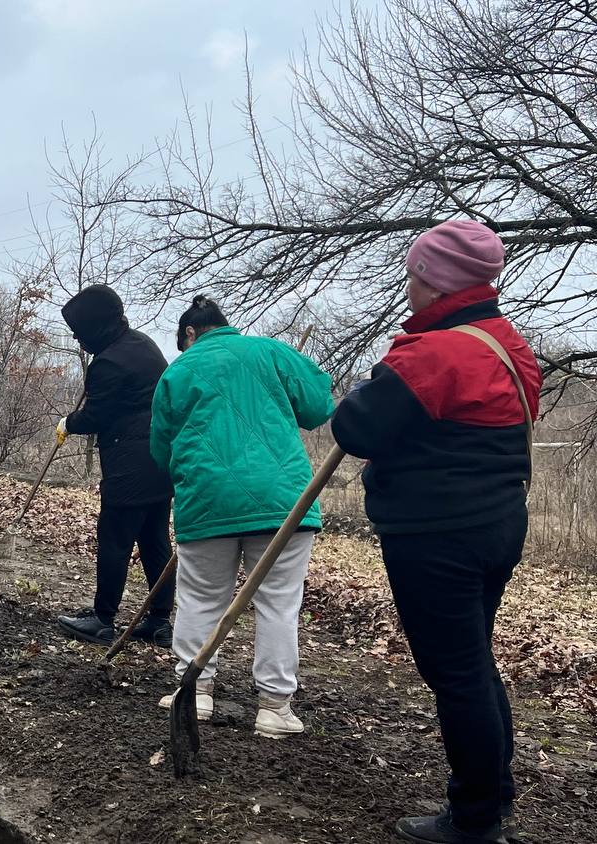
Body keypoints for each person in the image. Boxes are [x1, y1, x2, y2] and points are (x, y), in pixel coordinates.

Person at [332, 220, 540, 844]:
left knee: (455, 672)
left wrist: (378, 380)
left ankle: (475, 821)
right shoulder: (509, 345)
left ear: (435, 280)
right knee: (473, 661)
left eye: (415, 274)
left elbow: (356, 428)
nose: (409, 285)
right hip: (499, 522)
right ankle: (492, 797)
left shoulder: (434, 355)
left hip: (436, 534)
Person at [150, 296, 334, 738]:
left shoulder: (177, 372)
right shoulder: (270, 351)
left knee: (200, 598)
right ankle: (274, 708)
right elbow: (319, 406)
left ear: (190, 334)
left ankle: (195, 693)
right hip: (281, 502)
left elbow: (160, 449)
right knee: (277, 604)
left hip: (207, 501)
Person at [54, 285, 176, 647]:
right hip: (161, 460)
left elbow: (97, 415)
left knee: (114, 540)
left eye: (80, 330)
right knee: (155, 540)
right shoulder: (143, 345)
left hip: (130, 465)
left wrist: (69, 422)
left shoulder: (108, 362)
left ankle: (103, 619)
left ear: (96, 325)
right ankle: (159, 621)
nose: (77, 337)